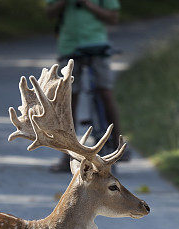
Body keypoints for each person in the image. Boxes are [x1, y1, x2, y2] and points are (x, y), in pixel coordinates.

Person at [45, 0, 128, 172]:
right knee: (67, 101)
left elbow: (113, 17)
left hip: (97, 45)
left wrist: (88, 4)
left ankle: (118, 145)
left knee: (105, 93)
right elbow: (49, 13)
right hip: (69, 46)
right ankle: (68, 155)